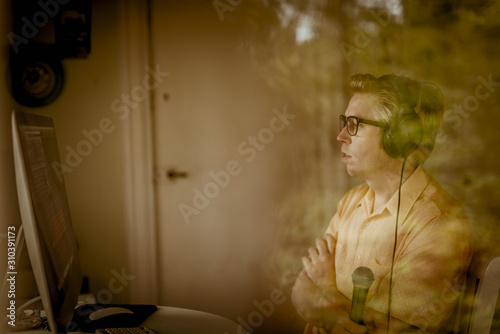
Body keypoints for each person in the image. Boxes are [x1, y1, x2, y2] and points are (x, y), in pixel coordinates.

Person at [291, 73, 472, 333]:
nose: (341, 136)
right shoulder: (350, 202)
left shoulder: (439, 224)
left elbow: (389, 331)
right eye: (344, 122)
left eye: (355, 124)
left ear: (399, 137)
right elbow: (302, 285)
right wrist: (324, 306)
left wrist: (325, 295)